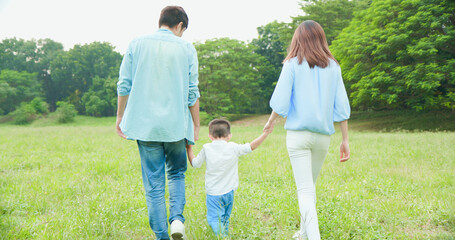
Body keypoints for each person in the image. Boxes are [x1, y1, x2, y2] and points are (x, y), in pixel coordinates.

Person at [116, 6, 200, 240]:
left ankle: (162, 236)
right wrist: (195, 125)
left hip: (146, 127)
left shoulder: (136, 43)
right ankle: (177, 220)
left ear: (161, 21)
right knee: (176, 175)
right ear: (180, 25)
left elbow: (124, 85)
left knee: (154, 184)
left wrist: (120, 117)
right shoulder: (186, 48)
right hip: (175, 127)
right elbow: (193, 92)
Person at [263, 20, 351, 240]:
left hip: (298, 136)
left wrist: (271, 121)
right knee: (309, 188)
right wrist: (345, 139)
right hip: (323, 138)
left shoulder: (292, 64)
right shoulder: (334, 67)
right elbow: (341, 106)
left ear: (297, 39)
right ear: (322, 39)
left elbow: (281, 102)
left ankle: (313, 236)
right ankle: (303, 233)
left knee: (305, 190)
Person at [186, 119, 271, 237]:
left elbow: (195, 164)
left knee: (214, 219)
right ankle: (224, 234)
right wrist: (265, 134)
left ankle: (222, 237)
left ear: (210, 136)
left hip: (213, 194)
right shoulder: (233, 147)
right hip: (229, 192)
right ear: (229, 135)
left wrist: (188, 149)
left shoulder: (207, 148)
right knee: (225, 218)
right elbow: (251, 146)